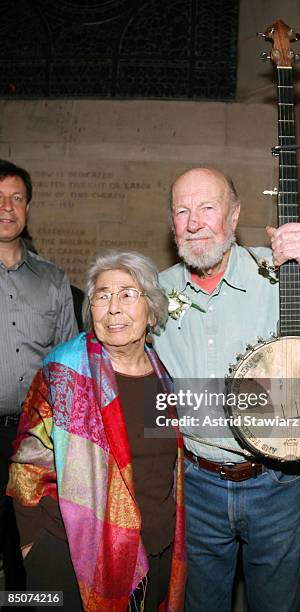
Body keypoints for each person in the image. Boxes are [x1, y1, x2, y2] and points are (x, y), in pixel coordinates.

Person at [153, 167, 300, 612]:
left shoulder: (283, 278)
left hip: (276, 485)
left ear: (235, 214)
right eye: (182, 211)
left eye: (207, 207)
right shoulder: (156, 292)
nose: (194, 221)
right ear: (172, 224)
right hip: (194, 484)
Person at [7, 250, 186, 612]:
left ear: (151, 310)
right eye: (102, 295)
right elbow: (26, 467)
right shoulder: (63, 373)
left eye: (127, 295)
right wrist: (34, 548)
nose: (113, 307)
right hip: (71, 556)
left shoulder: (166, 376)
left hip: (157, 549)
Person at [0, 159, 77, 592]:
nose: (6, 207)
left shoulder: (53, 280)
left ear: (28, 207)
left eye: (16, 197)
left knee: (29, 544)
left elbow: (66, 366)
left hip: (34, 438)